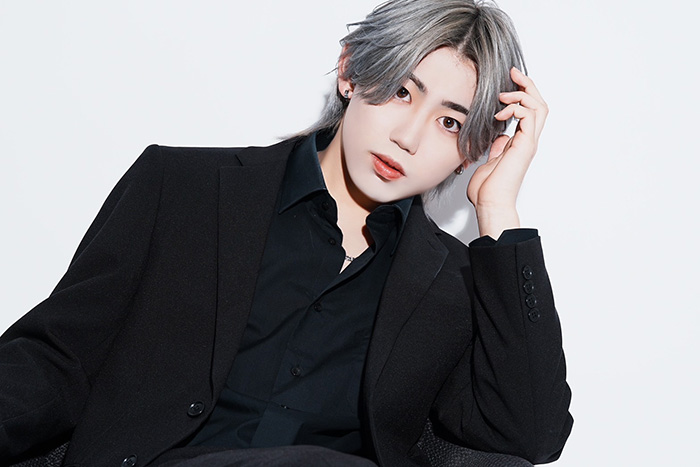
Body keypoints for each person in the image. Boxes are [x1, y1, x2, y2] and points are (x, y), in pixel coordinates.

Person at [0, 0, 573, 465]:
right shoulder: (182, 188)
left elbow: (531, 435)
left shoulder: (454, 283)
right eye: (402, 91)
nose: (409, 137)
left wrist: (498, 209)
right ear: (350, 72)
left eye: (450, 123)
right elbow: (60, 358)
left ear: (472, 150)